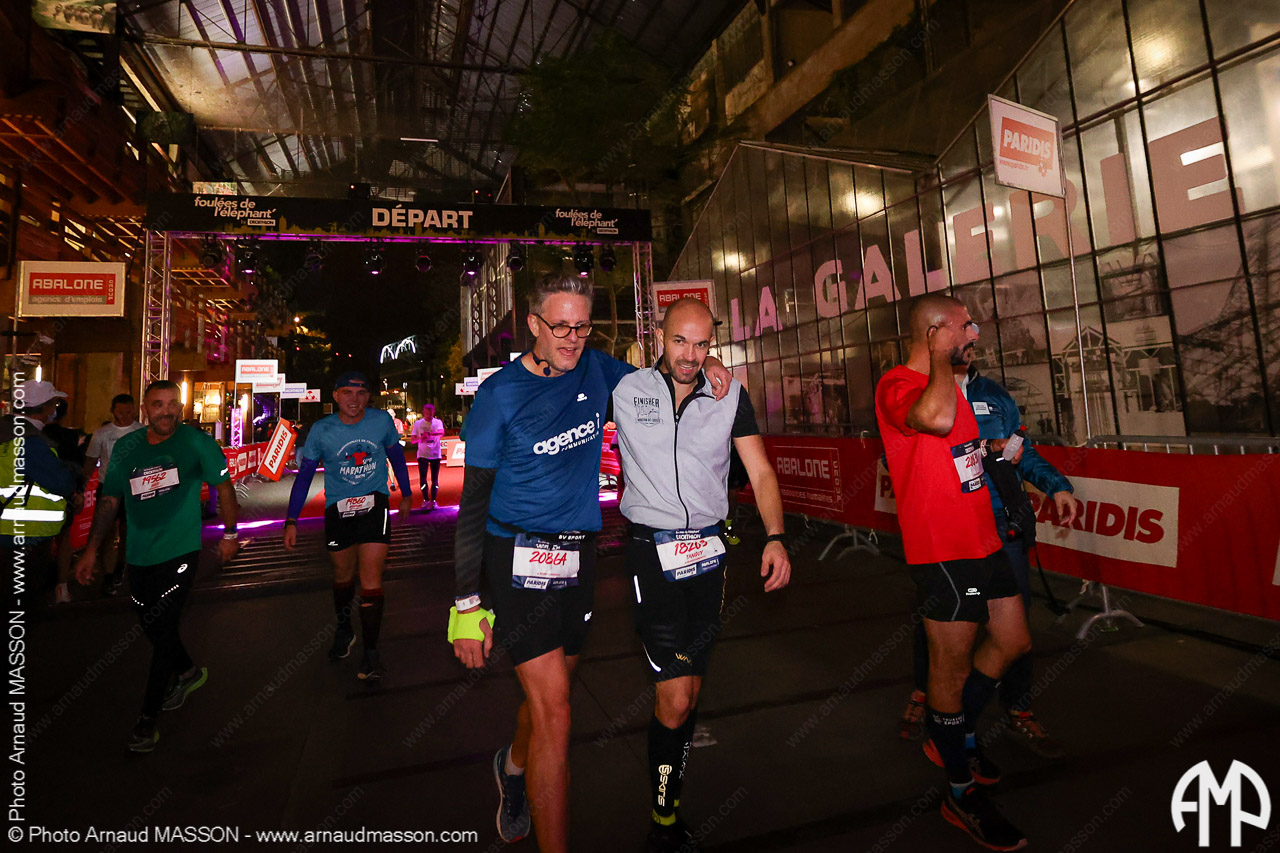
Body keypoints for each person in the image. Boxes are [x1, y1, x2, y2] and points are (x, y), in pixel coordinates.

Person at [449, 274, 731, 852]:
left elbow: (668, 374)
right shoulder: (499, 395)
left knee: (548, 702)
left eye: (583, 327)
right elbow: (473, 503)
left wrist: (708, 362)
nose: (573, 339)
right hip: (515, 556)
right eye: (560, 327)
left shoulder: (599, 370)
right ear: (533, 325)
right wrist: (465, 600)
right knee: (557, 713)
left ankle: (513, 765)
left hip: (579, 557)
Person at [612, 298, 792, 852]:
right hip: (651, 556)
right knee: (674, 700)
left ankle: (670, 798)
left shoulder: (729, 393)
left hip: (709, 558)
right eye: (680, 342)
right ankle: (663, 820)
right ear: (658, 337)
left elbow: (760, 471)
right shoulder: (625, 388)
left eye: (702, 344)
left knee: (689, 694)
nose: (691, 355)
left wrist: (776, 537)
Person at [874, 294, 1032, 851]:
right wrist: (941, 356)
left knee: (1013, 640)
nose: (974, 335)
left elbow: (956, 448)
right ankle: (959, 792)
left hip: (983, 538)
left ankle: (956, 734)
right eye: (965, 327)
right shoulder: (897, 384)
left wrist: (994, 453)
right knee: (951, 669)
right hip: (942, 550)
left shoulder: (952, 387)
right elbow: (935, 419)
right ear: (936, 332)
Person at [899, 365, 1079, 760]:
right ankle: (927, 698)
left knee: (1015, 629)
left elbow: (1021, 449)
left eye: (972, 336)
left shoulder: (995, 395)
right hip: (949, 532)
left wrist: (1057, 486)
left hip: (1001, 528)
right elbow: (899, 453)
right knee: (940, 622)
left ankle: (1018, 707)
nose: (970, 340)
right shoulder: (919, 392)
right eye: (963, 334)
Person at [74, 380, 240, 753]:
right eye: (157, 404)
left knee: (163, 630)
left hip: (180, 552)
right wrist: (91, 551)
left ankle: (147, 721)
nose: (166, 411)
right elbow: (110, 500)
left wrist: (230, 534)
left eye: (172, 404)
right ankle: (188, 672)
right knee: (150, 624)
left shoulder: (197, 443)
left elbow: (225, 488)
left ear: (180, 407)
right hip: (139, 554)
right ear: (145, 409)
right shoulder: (127, 448)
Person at [283, 372, 413, 681]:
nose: (354, 399)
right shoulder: (322, 430)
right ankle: (344, 629)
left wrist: (406, 494)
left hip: (375, 505)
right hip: (338, 510)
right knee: (342, 576)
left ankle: (371, 654)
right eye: (347, 393)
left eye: (361, 393)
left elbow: (396, 457)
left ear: (368, 397)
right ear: (336, 396)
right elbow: (304, 476)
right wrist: (292, 519)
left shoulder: (381, 422)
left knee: (371, 579)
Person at [1, 380, 81, 604]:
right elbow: (61, 482)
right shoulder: (30, 441)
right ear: (45, 407)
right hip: (25, 535)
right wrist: (72, 472)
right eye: (54, 404)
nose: (54, 410)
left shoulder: (5, 433)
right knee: (21, 605)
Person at [83, 394, 146, 596]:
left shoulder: (141, 432)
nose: (125, 416)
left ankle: (121, 565)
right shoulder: (102, 434)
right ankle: (109, 575)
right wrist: (81, 487)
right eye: (121, 412)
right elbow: (90, 462)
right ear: (113, 411)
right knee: (107, 531)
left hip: (133, 487)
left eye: (129, 412)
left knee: (128, 531)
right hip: (108, 488)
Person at [410, 403, 445, 509]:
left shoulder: (438, 422)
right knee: (423, 478)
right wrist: (421, 438)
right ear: (423, 413)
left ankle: (434, 500)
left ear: (434, 412)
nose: (429, 415)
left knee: (435, 478)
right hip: (422, 455)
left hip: (435, 454)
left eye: (431, 413)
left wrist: (430, 434)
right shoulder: (418, 424)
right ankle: (425, 499)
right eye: (427, 413)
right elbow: (412, 440)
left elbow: (441, 432)